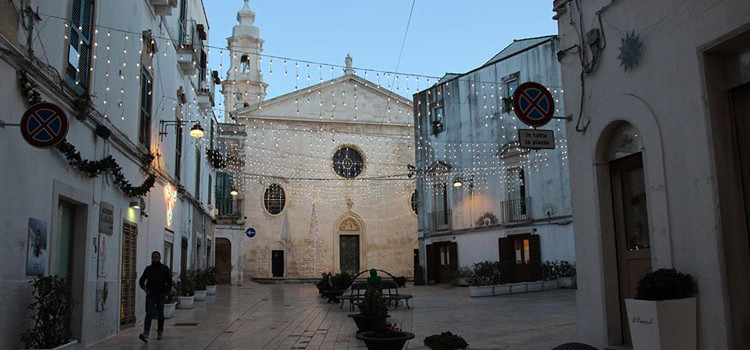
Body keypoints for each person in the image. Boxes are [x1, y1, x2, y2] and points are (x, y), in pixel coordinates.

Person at [138, 251, 172, 342]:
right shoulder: (148, 269)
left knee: (160, 314)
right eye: (153, 257)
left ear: (159, 258)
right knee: (149, 313)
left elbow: (169, 282)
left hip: (161, 295)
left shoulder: (165, 269)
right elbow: (141, 281)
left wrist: (165, 292)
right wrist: (145, 289)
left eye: (156, 257)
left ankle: (160, 331)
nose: (154, 259)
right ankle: (146, 333)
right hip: (150, 295)